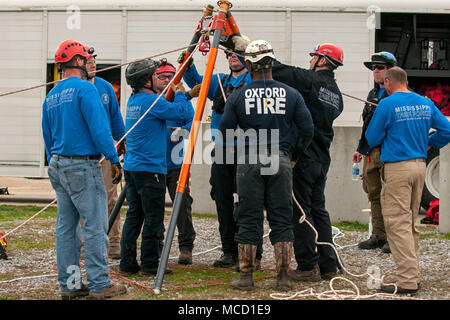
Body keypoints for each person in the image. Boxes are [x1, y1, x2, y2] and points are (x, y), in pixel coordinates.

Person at [220, 40, 314, 291]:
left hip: (250, 159)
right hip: (280, 159)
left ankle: (246, 277)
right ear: (272, 62)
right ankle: (283, 278)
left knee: (248, 218)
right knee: (282, 218)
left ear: (249, 64)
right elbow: (307, 129)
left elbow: (225, 129)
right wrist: (292, 155)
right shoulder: (291, 94)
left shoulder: (239, 95)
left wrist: (238, 150)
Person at [42, 40, 127, 299]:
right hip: (83, 164)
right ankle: (101, 284)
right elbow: (100, 128)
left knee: (67, 228)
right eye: (87, 60)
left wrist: (55, 163)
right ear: (78, 62)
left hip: (58, 163)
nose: (92, 65)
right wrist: (113, 158)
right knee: (94, 226)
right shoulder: (85, 89)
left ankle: (70, 285)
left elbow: (47, 136)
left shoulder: (52, 95)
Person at [181, 36, 264, 269]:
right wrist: (188, 56)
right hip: (222, 150)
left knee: (249, 202)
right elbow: (195, 80)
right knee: (223, 200)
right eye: (229, 54)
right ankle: (229, 251)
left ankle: (253, 253)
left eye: (238, 54)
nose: (233, 57)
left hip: (248, 150)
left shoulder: (254, 80)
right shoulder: (218, 81)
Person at [365, 67, 450, 294]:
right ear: (407, 81)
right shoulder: (425, 102)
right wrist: (431, 142)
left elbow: (372, 137)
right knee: (410, 222)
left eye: (384, 84)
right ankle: (413, 275)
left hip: (397, 168)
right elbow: (447, 129)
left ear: (390, 83)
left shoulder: (387, 103)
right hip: (420, 166)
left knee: (396, 223)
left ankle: (407, 281)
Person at [272, 43, 344, 281]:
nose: (310, 60)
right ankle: (328, 264)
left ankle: (306, 266)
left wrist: (252, 51)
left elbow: (282, 71)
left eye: (314, 57)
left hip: (304, 157)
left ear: (322, 60)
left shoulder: (311, 81)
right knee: (318, 210)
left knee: (301, 212)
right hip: (322, 159)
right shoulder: (336, 94)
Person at [119, 58, 192, 275]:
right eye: (154, 75)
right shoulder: (152, 102)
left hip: (133, 168)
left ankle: (127, 262)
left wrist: (185, 96)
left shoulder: (135, 101)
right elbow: (179, 113)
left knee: (135, 216)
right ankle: (150, 264)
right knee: (153, 218)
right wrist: (181, 92)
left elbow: (169, 109)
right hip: (151, 170)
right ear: (147, 80)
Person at [152, 58, 197, 265]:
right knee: (154, 206)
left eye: (171, 77)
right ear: (154, 79)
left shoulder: (182, 101)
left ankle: (186, 247)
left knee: (182, 204)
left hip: (176, 163)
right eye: (163, 77)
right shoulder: (150, 99)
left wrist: (181, 130)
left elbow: (191, 122)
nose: (167, 81)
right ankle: (157, 246)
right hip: (155, 163)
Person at [352, 52, 398, 254]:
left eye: (380, 67)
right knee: (373, 193)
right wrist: (360, 149)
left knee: (391, 196)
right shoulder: (372, 94)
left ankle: (392, 238)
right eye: (373, 68)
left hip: (389, 151)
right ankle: (378, 235)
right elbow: (367, 124)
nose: (376, 71)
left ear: (391, 70)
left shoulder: (398, 95)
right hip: (371, 151)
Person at [85, 46, 127, 259]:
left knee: (111, 198)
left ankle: (113, 242)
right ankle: (87, 244)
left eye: (94, 60)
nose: (92, 63)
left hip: (105, 151)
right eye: (88, 60)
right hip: (83, 152)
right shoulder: (76, 88)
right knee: (85, 199)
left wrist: (122, 140)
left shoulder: (105, 87)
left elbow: (115, 117)